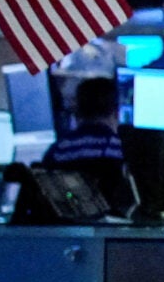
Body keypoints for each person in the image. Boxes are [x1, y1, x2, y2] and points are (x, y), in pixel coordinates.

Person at [40, 75, 134, 214]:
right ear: (116, 112)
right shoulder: (123, 150)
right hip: (116, 223)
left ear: (77, 111)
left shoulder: (58, 151)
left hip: (69, 222)